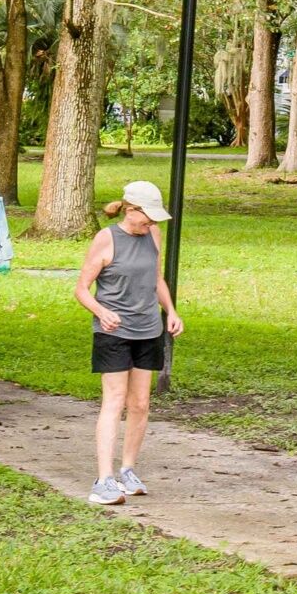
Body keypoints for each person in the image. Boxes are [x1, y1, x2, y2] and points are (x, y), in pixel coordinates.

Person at [76, 181, 183, 505]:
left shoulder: (153, 235)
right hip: (113, 333)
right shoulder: (106, 239)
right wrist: (100, 311)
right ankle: (103, 480)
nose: (150, 223)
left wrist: (171, 311)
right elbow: (81, 288)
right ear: (130, 209)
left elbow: (156, 279)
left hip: (148, 329)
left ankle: (128, 470)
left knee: (140, 404)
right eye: (146, 217)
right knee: (115, 400)